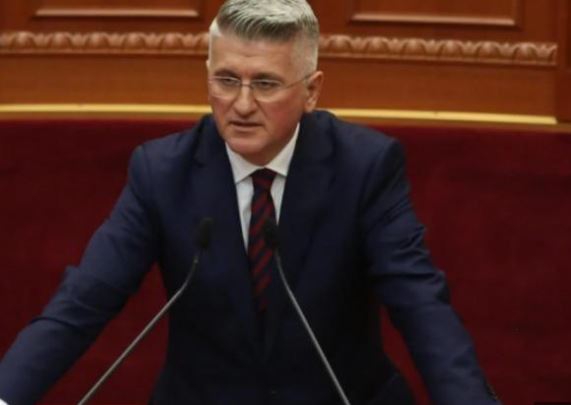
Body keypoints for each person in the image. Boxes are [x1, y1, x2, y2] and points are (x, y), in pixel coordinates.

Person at [0, 0, 501, 404]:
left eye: (265, 84)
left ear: (312, 91)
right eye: (226, 80)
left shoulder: (365, 168)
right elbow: (84, 302)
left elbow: (421, 306)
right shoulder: (162, 172)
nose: (241, 105)